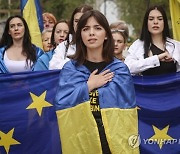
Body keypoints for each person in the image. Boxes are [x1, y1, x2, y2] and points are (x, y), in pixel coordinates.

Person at [55, 10, 138, 153]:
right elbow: (62, 105)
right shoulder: (70, 69)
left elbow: (127, 111)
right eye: (86, 29)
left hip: (114, 140)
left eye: (97, 28)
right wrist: (89, 86)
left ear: (106, 35)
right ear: (80, 35)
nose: (91, 33)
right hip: (82, 139)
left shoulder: (120, 70)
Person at [124, 5, 180, 76]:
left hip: (173, 87)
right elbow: (127, 68)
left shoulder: (176, 45)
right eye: (151, 19)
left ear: (164, 22)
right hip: (145, 87)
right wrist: (156, 59)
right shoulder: (137, 45)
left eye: (160, 19)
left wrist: (175, 59)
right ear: (146, 22)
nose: (155, 22)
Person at [49, 4, 93, 70]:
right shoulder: (63, 46)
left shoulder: (98, 45)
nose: (79, 24)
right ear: (72, 23)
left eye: (83, 20)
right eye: (76, 21)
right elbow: (53, 70)